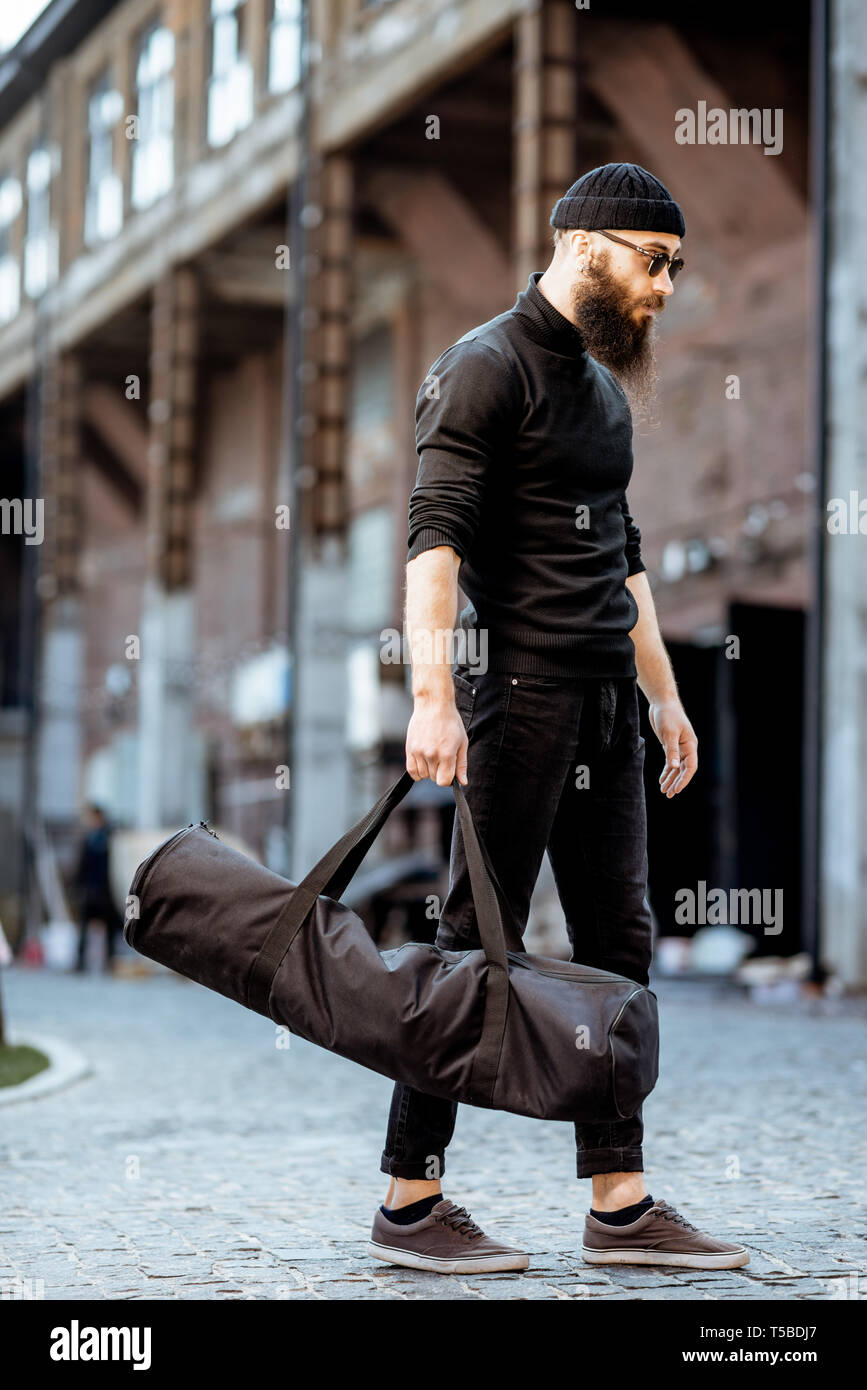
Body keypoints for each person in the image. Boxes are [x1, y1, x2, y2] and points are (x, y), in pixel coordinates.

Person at [367, 164, 749, 1275]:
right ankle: (408, 1199)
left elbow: (622, 565)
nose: (667, 288)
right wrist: (433, 697)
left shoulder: (600, 393)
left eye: (676, 267)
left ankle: (618, 1204)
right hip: (517, 698)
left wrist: (665, 697)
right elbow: (433, 545)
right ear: (587, 248)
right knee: (470, 946)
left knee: (620, 948)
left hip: (603, 708)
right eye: (655, 263)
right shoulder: (480, 368)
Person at [73, 804, 123, 973]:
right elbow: (82, 866)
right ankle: (80, 963)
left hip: (106, 890)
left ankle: (109, 962)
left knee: (109, 928)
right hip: (90, 889)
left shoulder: (110, 838)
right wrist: (78, 886)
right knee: (84, 928)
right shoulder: (89, 839)